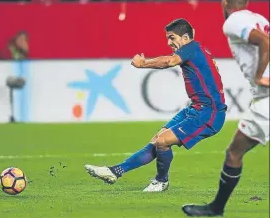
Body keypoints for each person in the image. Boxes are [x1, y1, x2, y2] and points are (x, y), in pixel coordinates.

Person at [84, 18, 227, 192]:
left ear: (185, 37)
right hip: (195, 108)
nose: (169, 42)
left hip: (209, 113)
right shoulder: (197, 49)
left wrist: (143, 64)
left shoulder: (191, 48)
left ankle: (161, 181)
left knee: (163, 141)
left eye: (172, 38)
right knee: (157, 140)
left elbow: (169, 61)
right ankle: (115, 171)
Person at [182, 0, 269, 217]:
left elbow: (265, 42)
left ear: (225, 4)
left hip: (267, 99)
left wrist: (261, 76)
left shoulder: (233, 21)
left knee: (234, 153)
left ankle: (216, 209)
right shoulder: (258, 17)